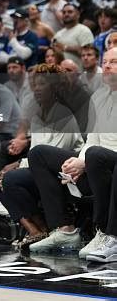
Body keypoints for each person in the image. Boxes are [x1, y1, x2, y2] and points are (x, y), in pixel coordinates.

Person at [28, 48, 117, 256]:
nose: (106, 66)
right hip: (96, 162)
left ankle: (108, 234)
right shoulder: (99, 96)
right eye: (105, 62)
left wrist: (86, 161)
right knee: (38, 154)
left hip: (108, 161)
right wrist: (78, 161)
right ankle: (64, 229)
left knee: (95, 154)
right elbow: (92, 138)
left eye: (113, 62)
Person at [0, 64, 83, 250]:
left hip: (68, 171)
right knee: (0, 182)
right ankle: (37, 231)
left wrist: (18, 164)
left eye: (42, 84)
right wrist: (17, 165)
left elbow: (48, 157)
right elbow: (36, 154)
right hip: (42, 170)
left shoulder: (64, 114)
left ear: (55, 87)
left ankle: (55, 229)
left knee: (11, 178)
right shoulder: (37, 117)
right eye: (35, 84)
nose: (36, 88)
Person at [53, 3, 94, 69]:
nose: (66, 14)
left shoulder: (84, 30)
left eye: (70, 12)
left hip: (79, 74)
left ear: (78, 15)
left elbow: (89, 53)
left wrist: (65, 47)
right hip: (61, 74)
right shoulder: (58, 34)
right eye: (64, 12)